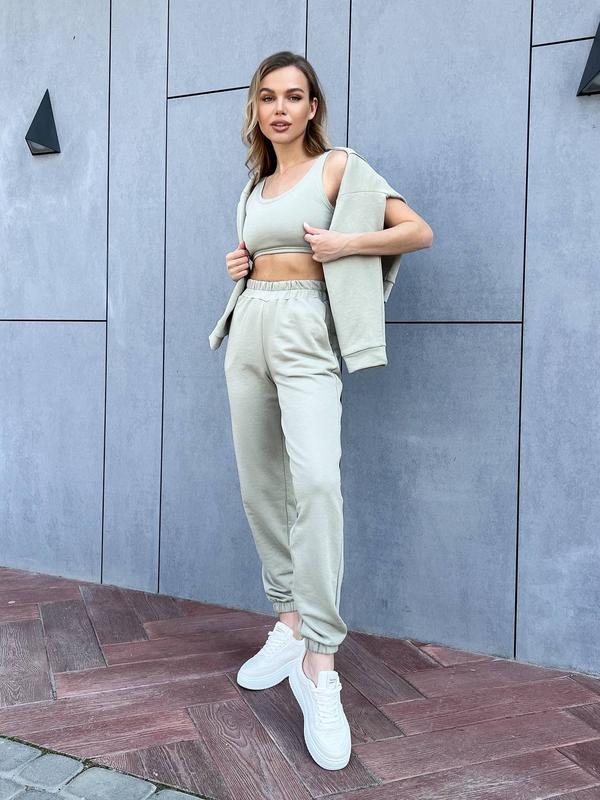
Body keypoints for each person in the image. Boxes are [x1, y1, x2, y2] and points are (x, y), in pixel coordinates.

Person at [219, 51, 433, 771]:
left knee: (315, 483)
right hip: (249, 327)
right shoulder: (256, 185)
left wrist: (347, 242)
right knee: (261, 486)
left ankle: (319, 662)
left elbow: (416, 230)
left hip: (306, 328)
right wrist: (242, 265)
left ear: (313, 107)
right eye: (268, 97)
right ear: (256, 109)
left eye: (294, 96)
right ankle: (286, 621)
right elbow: (262, 253)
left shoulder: (337, 167)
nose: (280, 108)